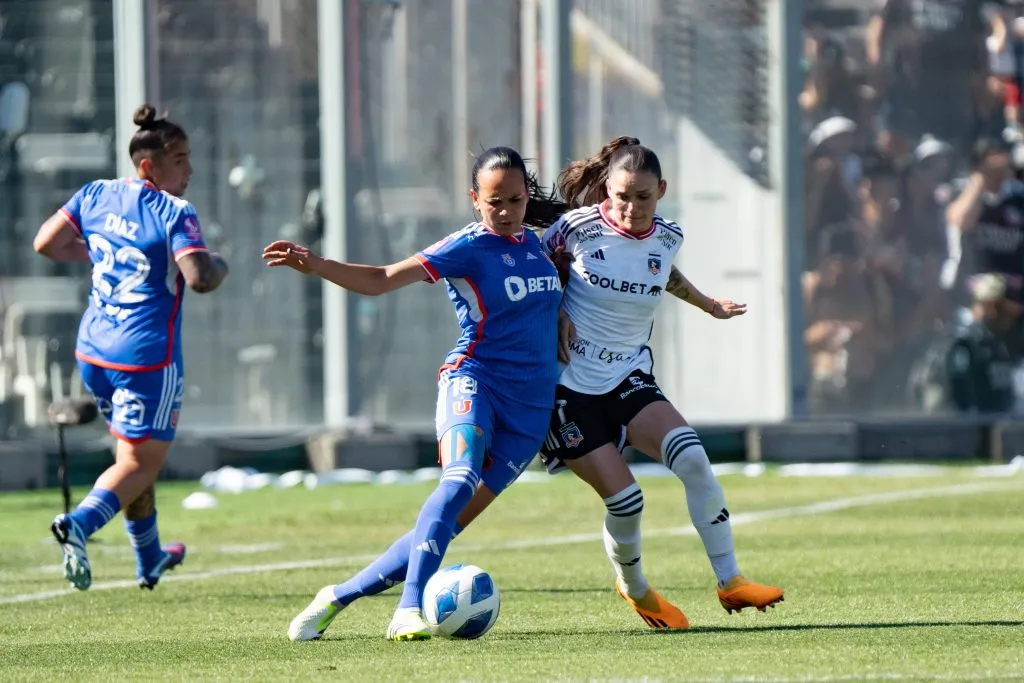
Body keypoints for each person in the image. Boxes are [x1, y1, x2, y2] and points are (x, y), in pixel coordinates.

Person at [266, 147, 567, 642]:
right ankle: (407, 610)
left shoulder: (538, 245)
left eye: (516, 199)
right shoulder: (465, 248)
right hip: (475, 381)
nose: (508, 211)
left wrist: (561, 315)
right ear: (475, 199)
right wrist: (317, 264)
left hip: (529, 417)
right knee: (460, 477)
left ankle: (335, 597)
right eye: (495, 202)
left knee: (443, 529)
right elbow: (383, 279)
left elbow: (546, 300)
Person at [538, 135, 785, 629]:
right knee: (628, 501)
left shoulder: (667, 236)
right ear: (606, 188)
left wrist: (708, 304)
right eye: (622, 195)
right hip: (569, 391)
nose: (631, 207)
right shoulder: (574, 229)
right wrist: (555, 311)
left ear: (662, 191)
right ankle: (635, 588)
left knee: (692, 457)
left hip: (628, 377)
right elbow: (529, 271)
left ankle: (731, 581)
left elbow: (662, 273)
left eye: (643, 197)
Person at [32, 104, 229, 590]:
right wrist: (220, 262)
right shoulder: (174, 211)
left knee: (131, 459)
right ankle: (78, 524)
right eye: (179, 160)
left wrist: (104, 252)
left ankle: (150, 559)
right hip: (145, 358)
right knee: (141, 463)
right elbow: (200, 279)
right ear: (149, 167)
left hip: (94, 350)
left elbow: (46, 244)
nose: (189, 170)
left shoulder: (95, 193)